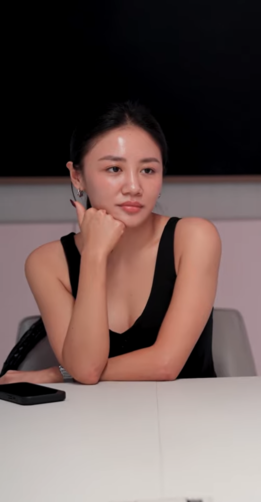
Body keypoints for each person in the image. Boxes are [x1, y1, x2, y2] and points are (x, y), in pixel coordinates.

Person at [0, 101, 221, 385]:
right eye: (114, 169)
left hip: (194, 410)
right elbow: (86, 368)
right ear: (77, 176)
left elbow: (165, 365)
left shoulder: (193, 238)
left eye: (148, 170)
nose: (134, 187)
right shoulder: (46, 263)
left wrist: (54, 374)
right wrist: (94, 254)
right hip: (96, 412)